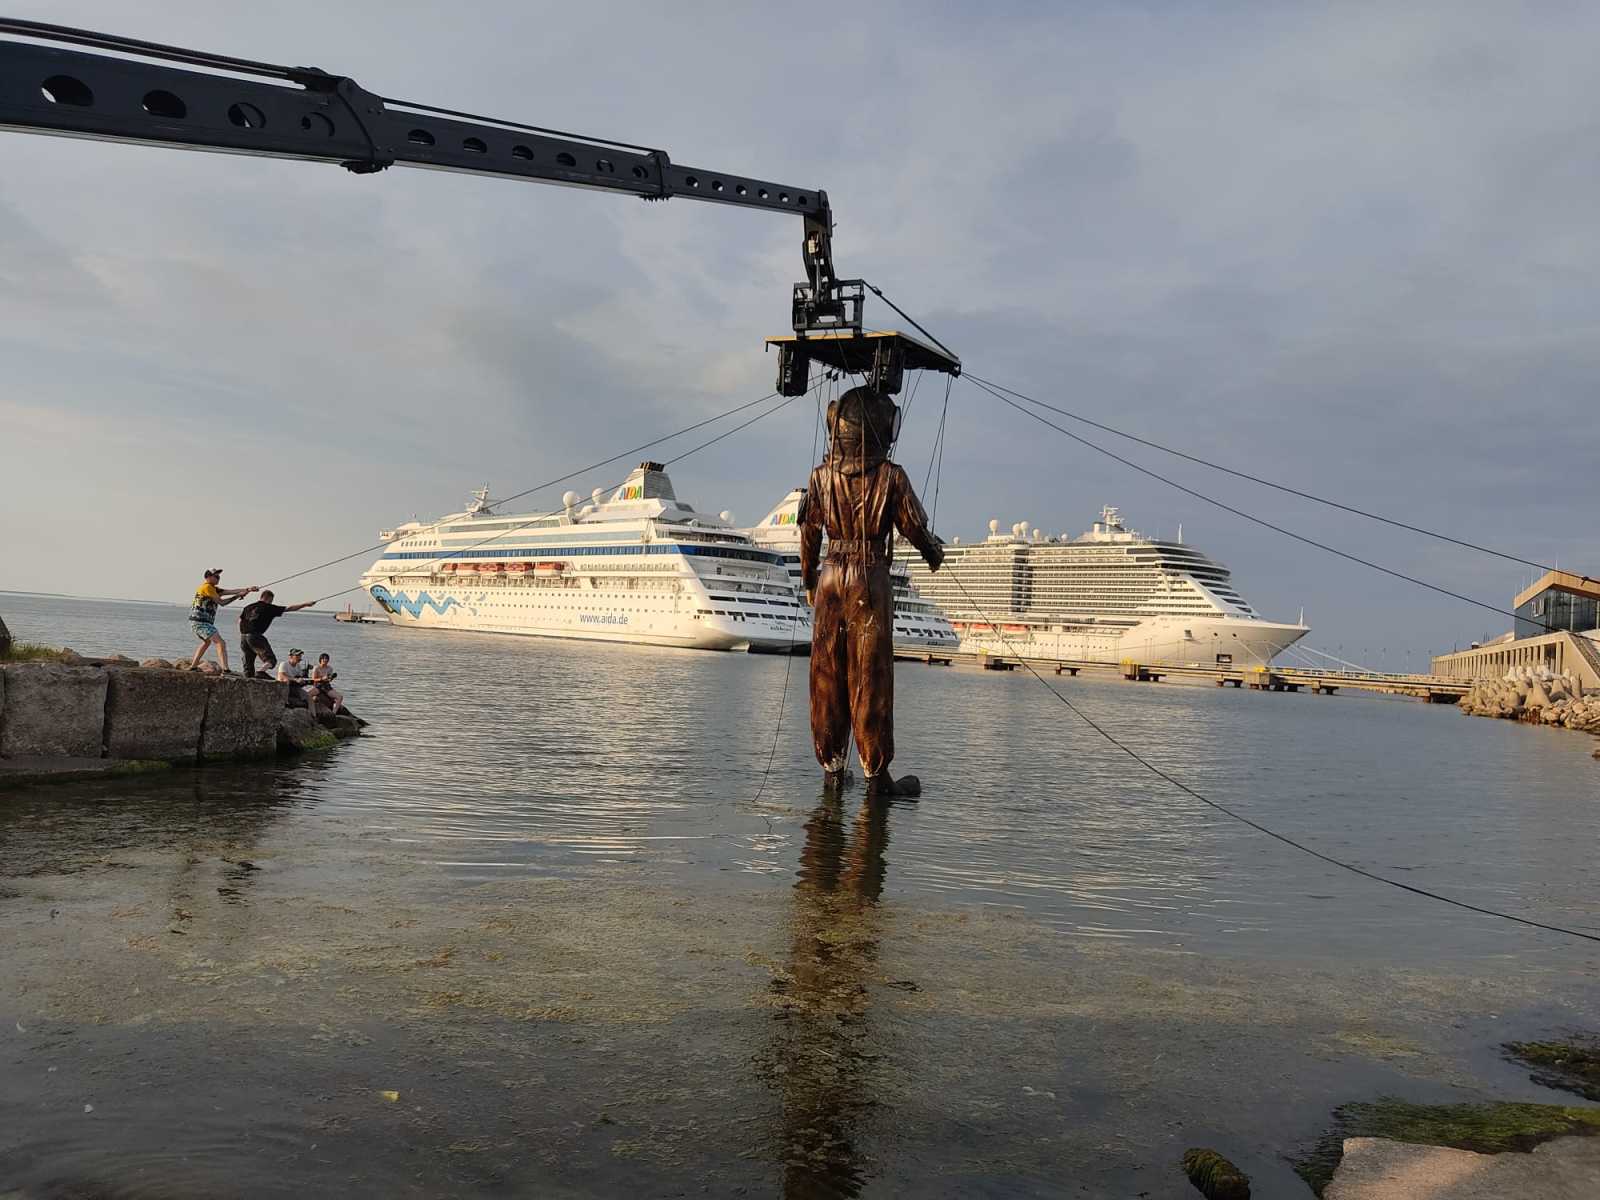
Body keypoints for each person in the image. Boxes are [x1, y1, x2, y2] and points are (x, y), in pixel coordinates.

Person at [799, 385, 944, 798]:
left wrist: (809, 579)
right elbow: (913, 525)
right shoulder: (891, 476)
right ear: (883, 429)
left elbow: (809, 533)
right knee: (870, 676)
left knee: (826, 673)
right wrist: (933, 553)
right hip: (869, 576)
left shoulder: (819, 476)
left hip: (830, 576)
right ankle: (876, 776)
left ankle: (832, 770)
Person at [188, 568, 257, 672]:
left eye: (219, 576)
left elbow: (230, 591)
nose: (218, 578)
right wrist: (237, 596)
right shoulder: (207, 587)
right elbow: (222, 602)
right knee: (220, 643)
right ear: (208, 577)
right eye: (216, 576)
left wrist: (248, 589)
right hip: (200, 622)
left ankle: (193, 666)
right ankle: (226, 669)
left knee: (206, 642)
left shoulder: (213, 589)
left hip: (198, 621)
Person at [238, 589, 316, 679]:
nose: (271, 602)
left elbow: (240, 620)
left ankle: (248, 678)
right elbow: (289, 608)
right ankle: (261, 671)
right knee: (271, 660)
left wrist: (242, 633)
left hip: (243, 636)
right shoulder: (269, 607)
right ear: (269, 598)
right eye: (271, 600)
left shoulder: (248, 607)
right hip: (255, 635)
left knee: (248, 660)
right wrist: (305, 604)